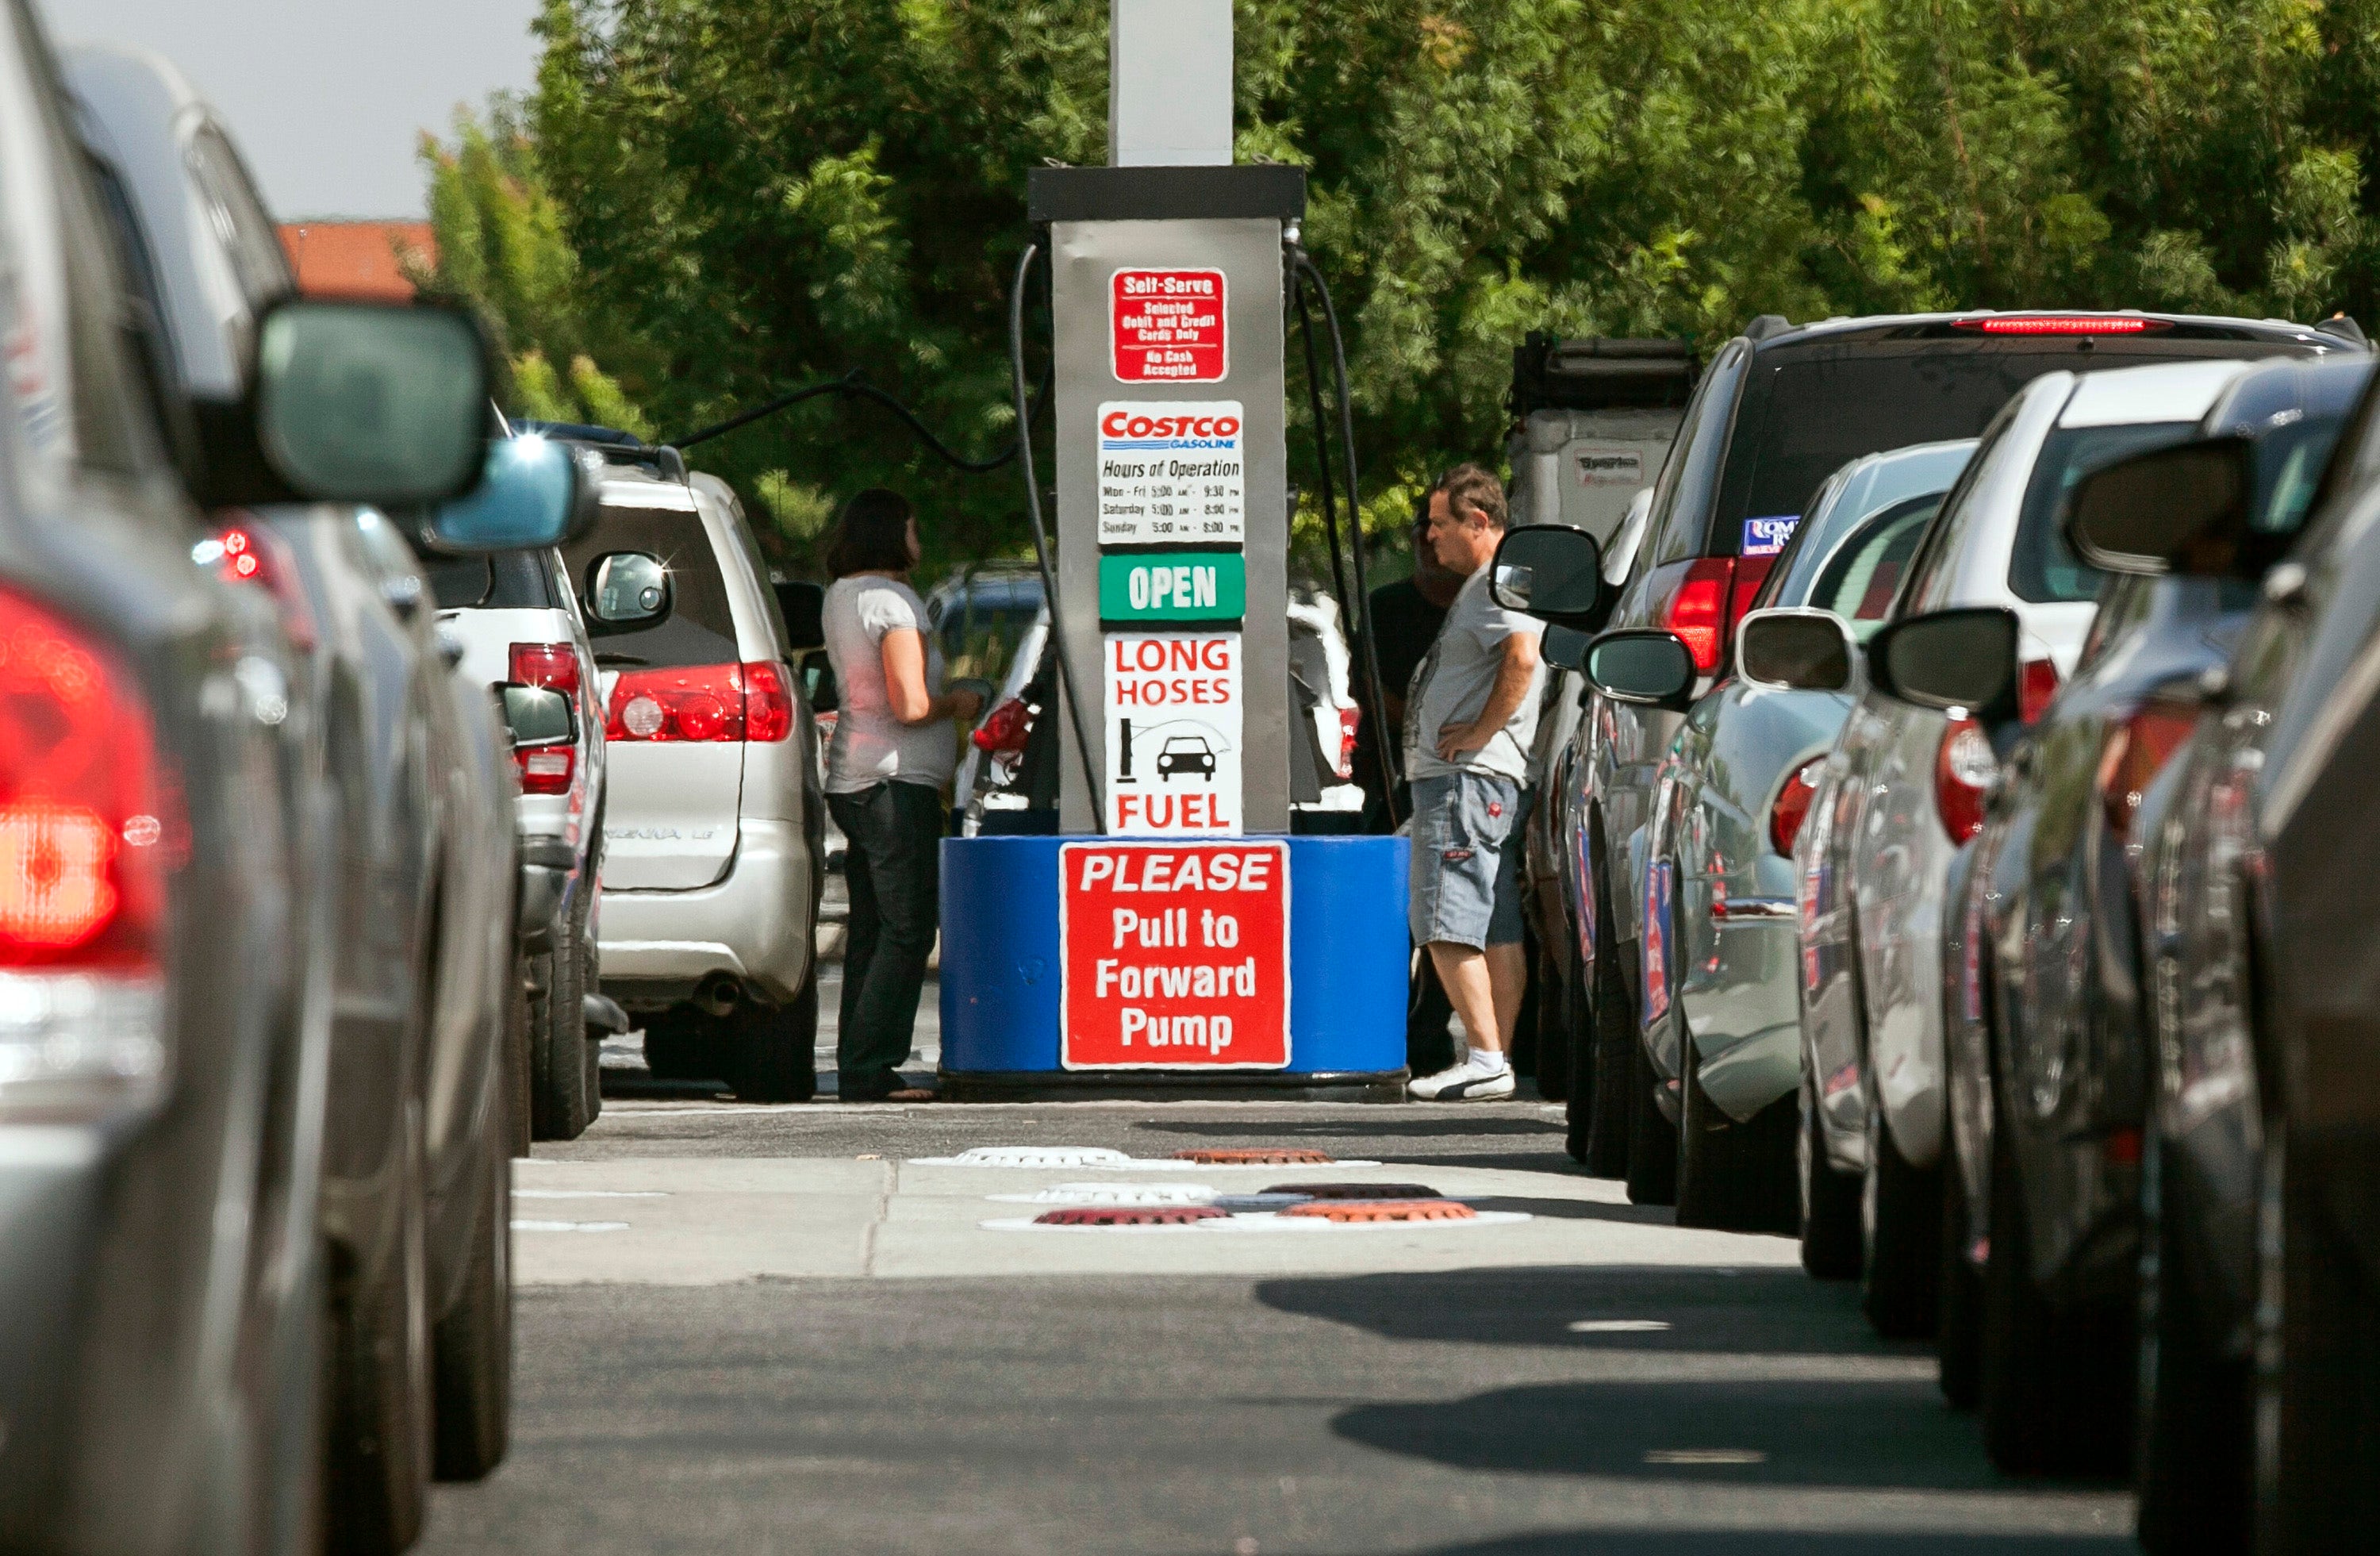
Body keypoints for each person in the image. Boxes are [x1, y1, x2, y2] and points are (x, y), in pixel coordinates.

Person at [820, 490, 985, 1102]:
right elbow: (911, 703)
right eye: (914, 527)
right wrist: (961, 702)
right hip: (894, 784)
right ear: (894, 532)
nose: (920, 538)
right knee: (909, 926)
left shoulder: (843, 596)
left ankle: (860, 1064)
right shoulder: (892, 601)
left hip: (858, 778)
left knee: (875, 926)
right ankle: (872, 1065)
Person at [1402, 464, 1545, 1101]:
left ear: (1478, 523)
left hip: (1465, 780)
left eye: (1439, 523)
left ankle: (1486, 1056)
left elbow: (1522, 658)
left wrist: (1481, 732)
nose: (1430, 537)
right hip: (1484, 782)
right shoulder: (1498, 584)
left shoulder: (1492, 585)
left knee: (1443, 915)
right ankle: (1499, 1057)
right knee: (1496, 926)